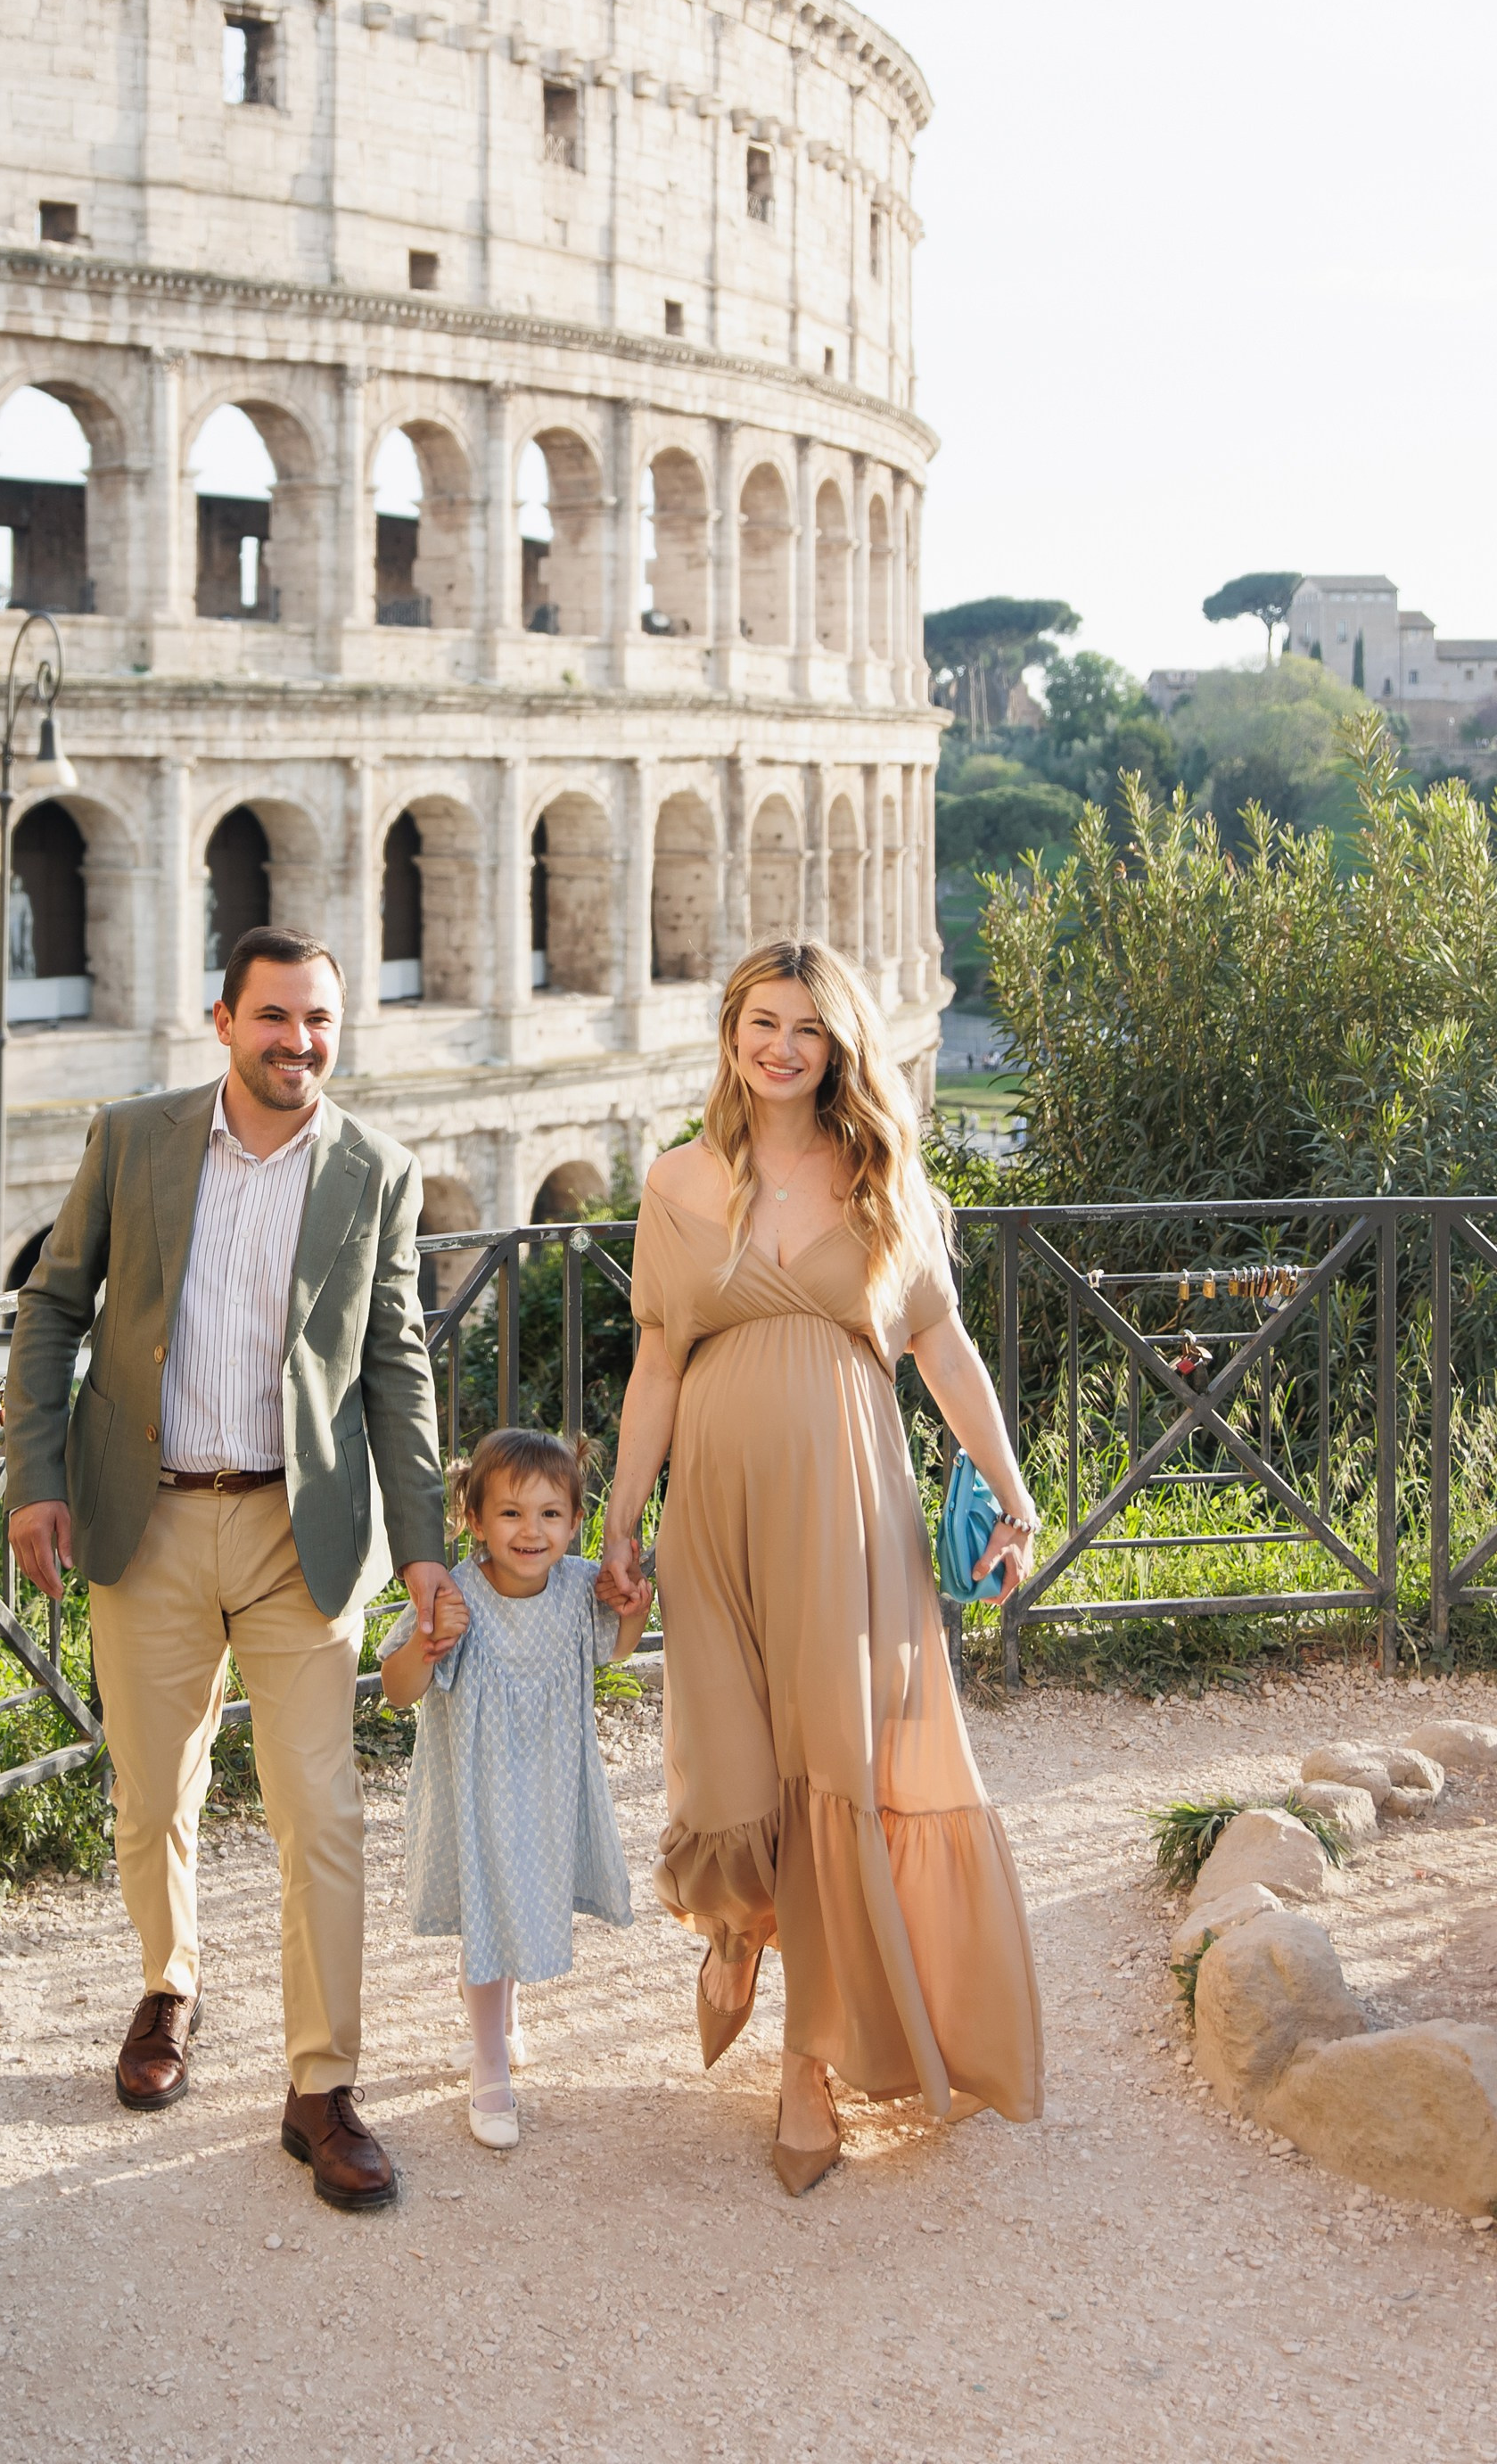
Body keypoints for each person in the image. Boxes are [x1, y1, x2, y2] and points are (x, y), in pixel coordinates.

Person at [2, 924, 460, 2213]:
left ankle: (321, 2088)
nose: (299, 1043)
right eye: (275, 1018)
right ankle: (171, 1984)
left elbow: (395, 1367)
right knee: (154, 1796)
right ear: (223, 1022)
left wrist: (422, 1548)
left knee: (323, 1812)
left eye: (319, 1021)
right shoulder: (136, 1138)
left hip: (294, 1532)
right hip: (139, 1519)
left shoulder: (376, 1169)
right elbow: (52, 1306)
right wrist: (36, 1476)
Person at [595, 939, 1044, 2194]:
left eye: (806, 1027)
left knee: (831, 1775)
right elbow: (656, 1371)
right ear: (732, 1035)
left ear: (839, 1046)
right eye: (760, 1021)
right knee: (731, 1768)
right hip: (716, 1520)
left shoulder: (879, 1177)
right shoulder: (677, 1180)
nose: (781, 1045)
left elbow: (945, 1352)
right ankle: (736, 1926)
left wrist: (1011, 1493)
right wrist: (622, 1523)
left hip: (851, 1515)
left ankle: (806, 2066)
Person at [380, 1426, 650, 2149]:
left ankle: (503, 2017)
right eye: (510, 1514)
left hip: (549, 1784)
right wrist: (425, 1643)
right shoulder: (453, 1591)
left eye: (550, 1515)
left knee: (521, 1894)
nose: (531, 1532)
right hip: (477, 1789)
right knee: (491, 1909)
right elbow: (397, 1692)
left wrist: (634, 1610)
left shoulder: (575, 1587)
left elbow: (613, 1650)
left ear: (575, 1520)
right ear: (473, 1520)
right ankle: (489, 2062)